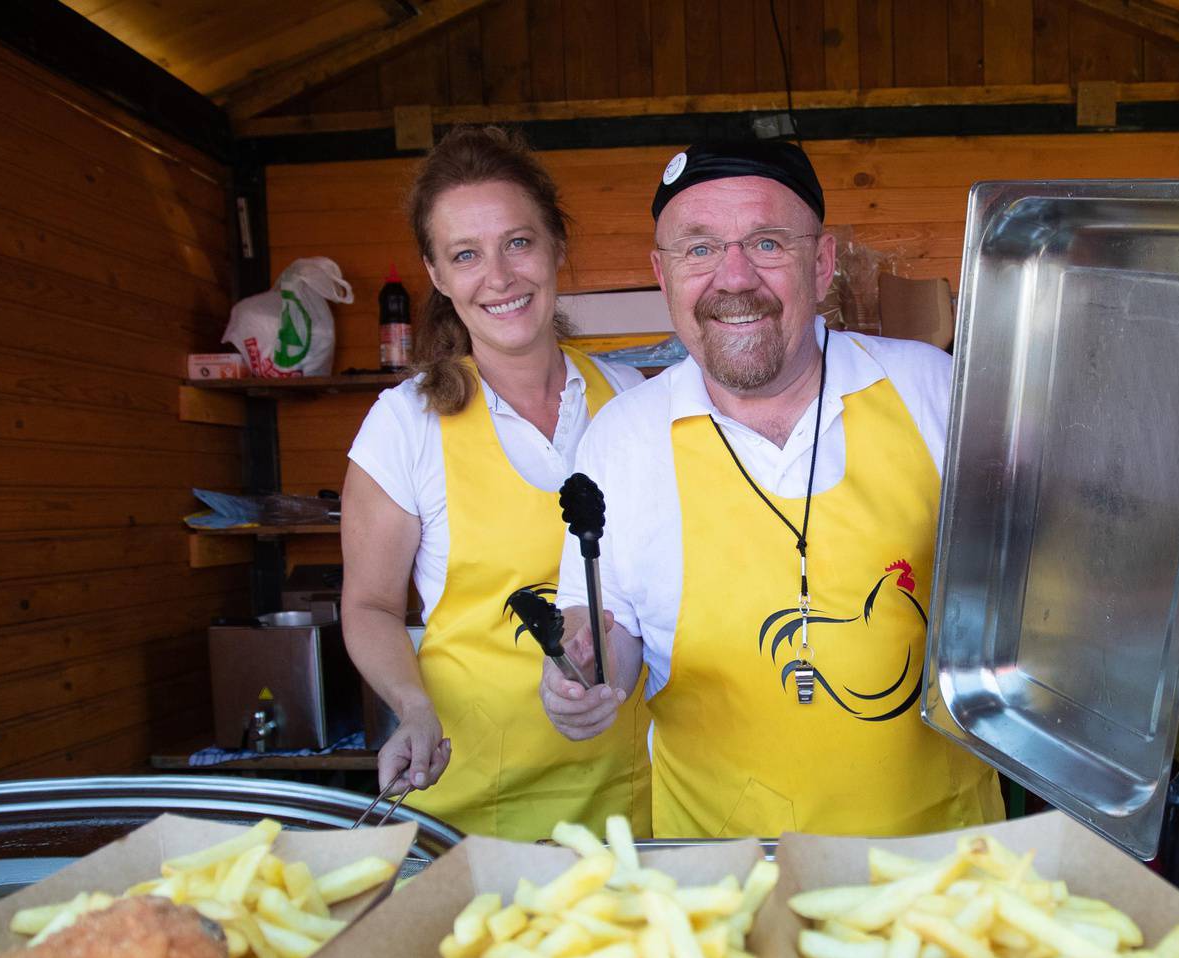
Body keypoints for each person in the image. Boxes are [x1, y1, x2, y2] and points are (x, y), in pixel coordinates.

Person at [540, 139, 1001, 839]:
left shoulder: (932, 390)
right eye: (698, 249)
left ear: (821, 263)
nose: (733, 278)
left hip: (941, 867)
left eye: (766, 242)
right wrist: (583, 671)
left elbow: (1031, 593)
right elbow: (613, 637)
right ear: (661, 276)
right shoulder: (623, 438)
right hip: (722, 887)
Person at [341, 126, 650, 840]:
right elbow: (368, 605)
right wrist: (412, 707)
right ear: (439, 276)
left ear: (556, 247)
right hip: (472, 814)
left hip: (629, 807)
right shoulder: (405, 423)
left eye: (518, 242)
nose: (500, 276)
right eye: (465, 255)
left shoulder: (633, 403)